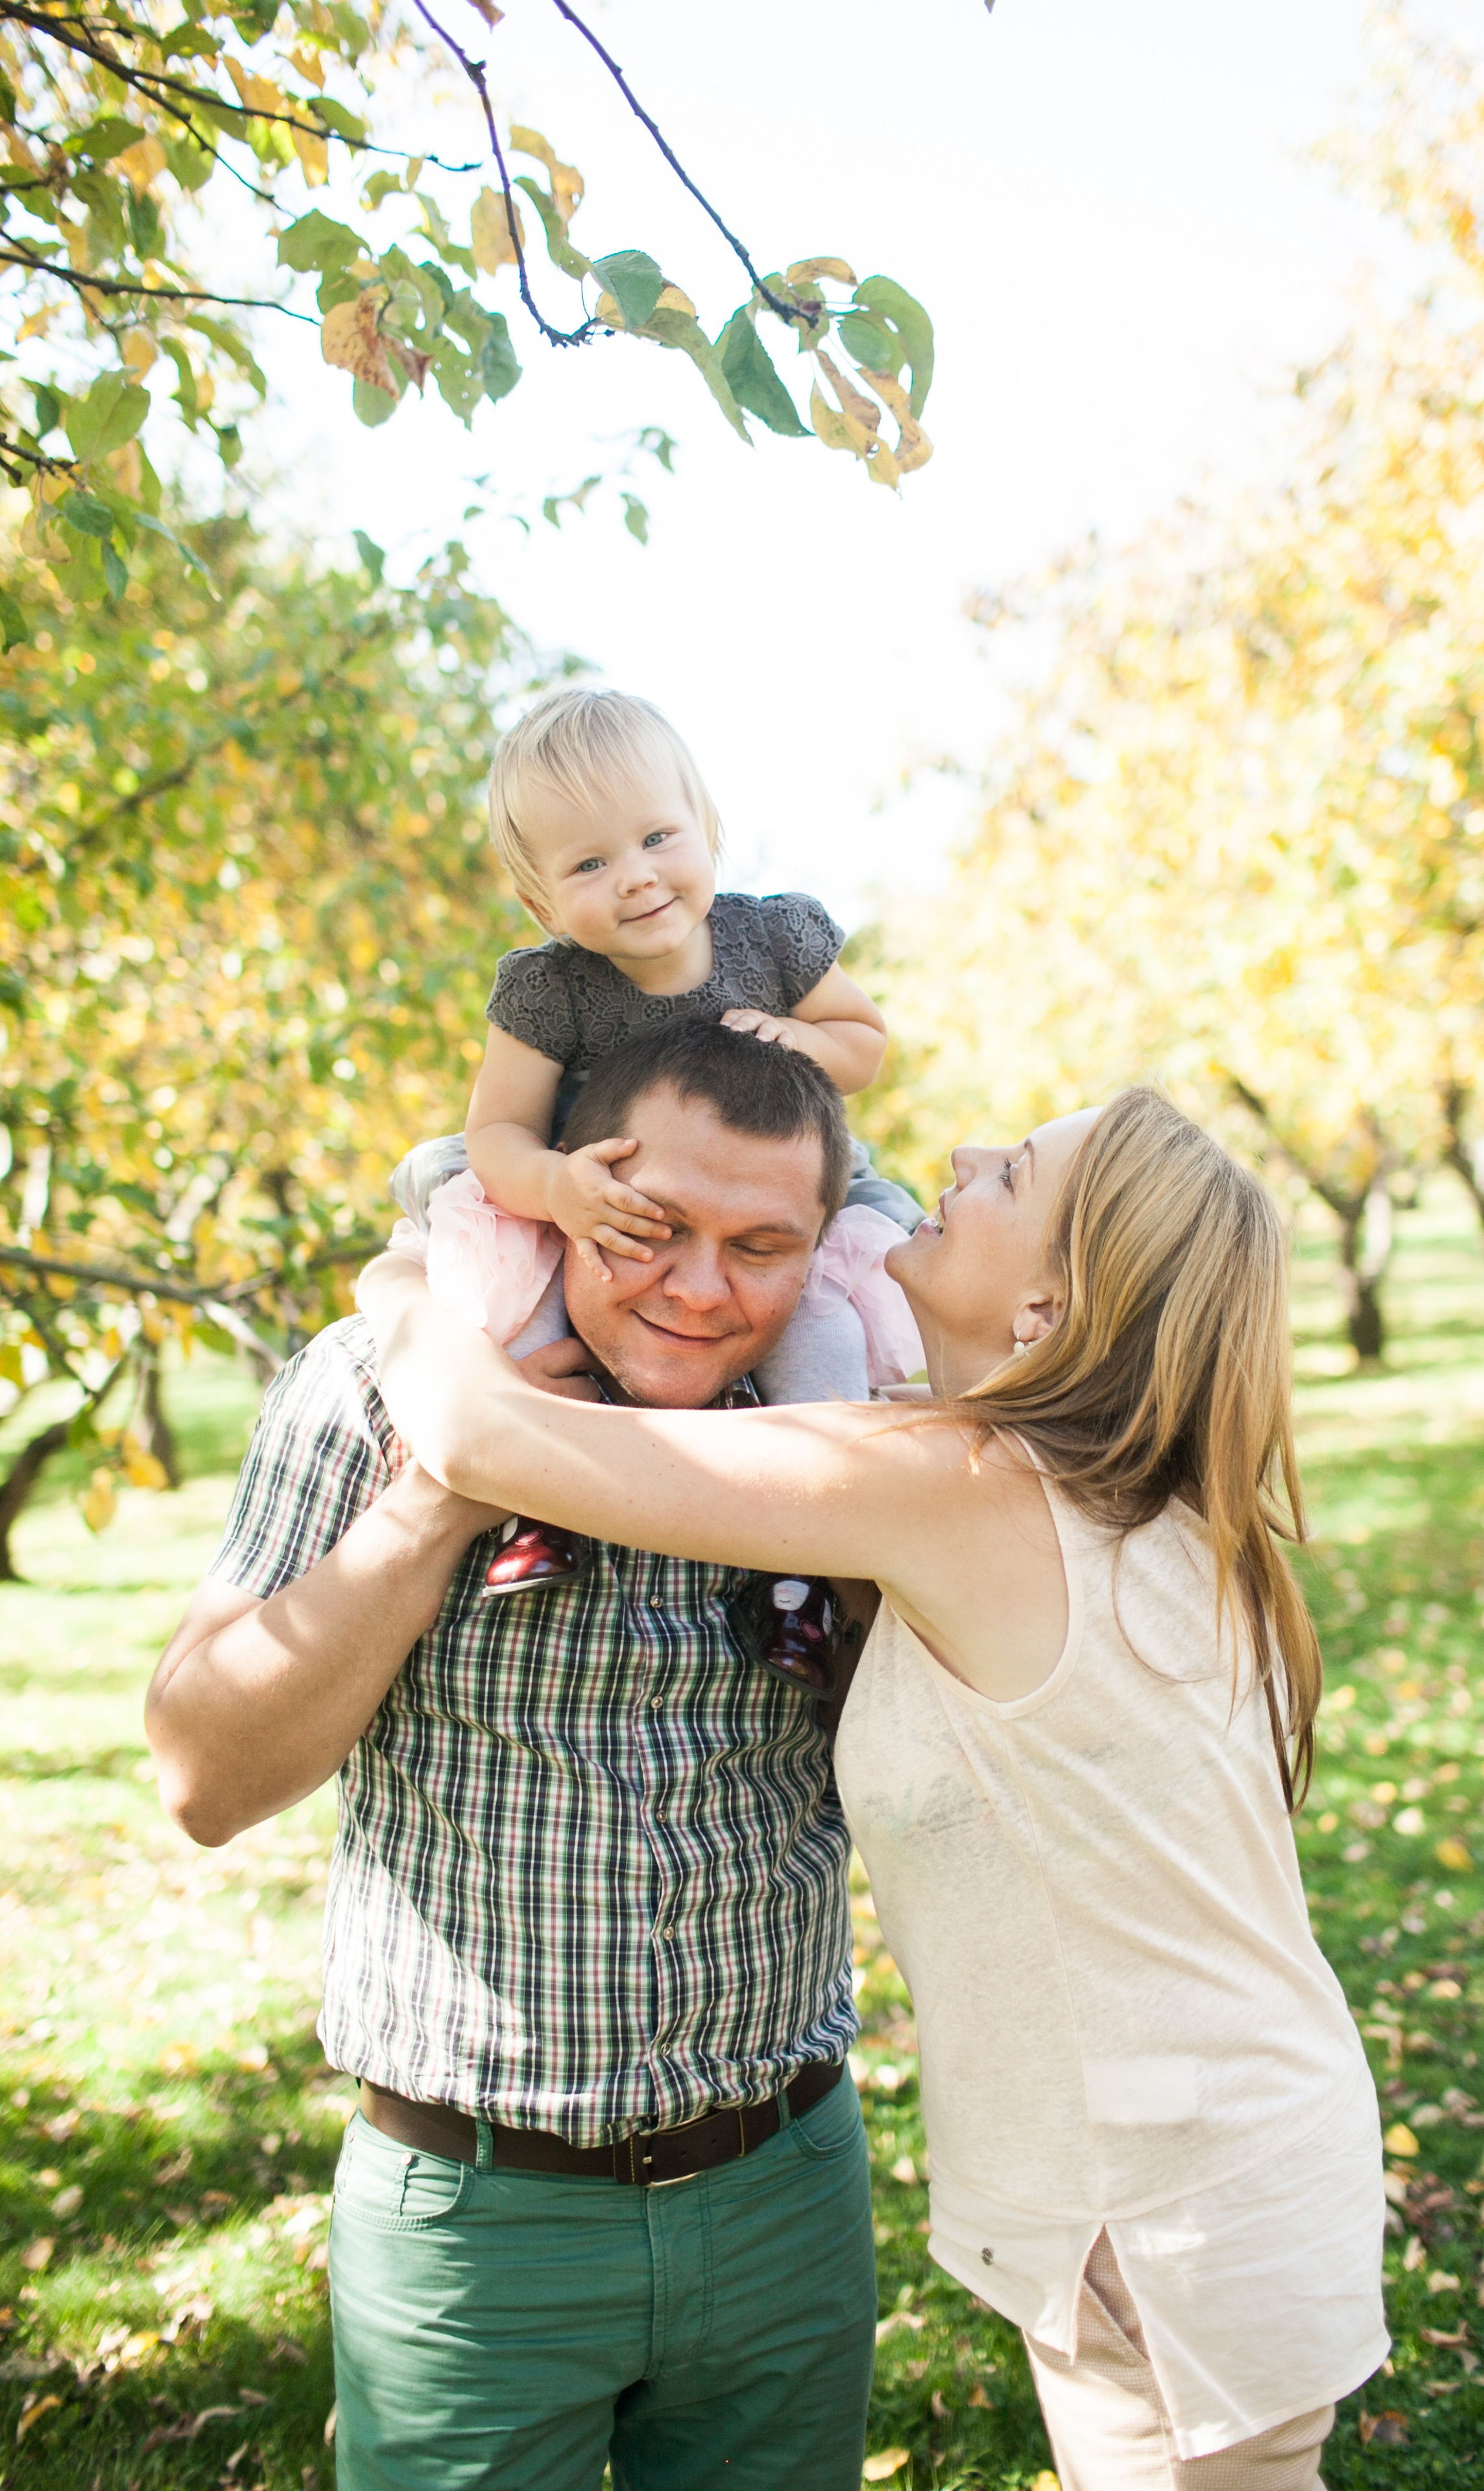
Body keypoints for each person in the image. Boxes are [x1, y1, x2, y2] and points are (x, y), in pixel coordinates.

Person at [359, 1084, 1389, 2491]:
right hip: (1211, 2163)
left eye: (1013, 1173)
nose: (964, 1153)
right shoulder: (1106, 1490)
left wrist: (413, 1273)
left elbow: (490, 1446)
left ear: (1047, 1310)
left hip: (1176, 2204)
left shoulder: (961, 1486)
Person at [144, 1024, 881, 2491]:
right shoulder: (379, 1391)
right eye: (647, 1226)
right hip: (477, 2225)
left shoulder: (850, 1435)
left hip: (784, 2193)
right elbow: (203, 1778)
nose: (697, 1290)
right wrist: (438, 1501)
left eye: (759, 1245)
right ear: (555, 1196)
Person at [416, 684, 916, 1596]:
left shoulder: (772, 938)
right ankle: (542, 1503)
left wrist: (802, 1040)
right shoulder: (548, 991)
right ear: (541, 902)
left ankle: (814, 1556)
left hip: (765, 1195)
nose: (637, 877)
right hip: (605, 1196)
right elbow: (496, 1130)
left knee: (822, 1327)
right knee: (526, 1311)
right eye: (589, 865)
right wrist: (554, 1185)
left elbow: (866, 1044)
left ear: (708, 827)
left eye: (656, 840)